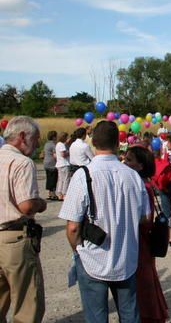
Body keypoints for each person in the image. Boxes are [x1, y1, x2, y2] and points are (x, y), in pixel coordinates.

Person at [59, 120, 150, 322]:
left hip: (92, 256)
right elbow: (145, 218)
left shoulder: (83, 175)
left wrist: (76, 250)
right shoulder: (133, 176)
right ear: (118, 144)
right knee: (130, 315)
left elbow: (73, 226)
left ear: (93, 143)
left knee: (97, 316)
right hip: (126, 256)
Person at [0, 116, 46, 323]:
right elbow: (26, 206)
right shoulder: (23, 163)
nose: (37, 144)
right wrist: (41, 203)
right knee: (28, 303)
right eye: (35, 139)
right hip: (15, 238)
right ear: (21, 137)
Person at [124, 146, 169, 323]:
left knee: (144, 282)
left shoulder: (143, 186)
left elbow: (147, 219)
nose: (125, 163)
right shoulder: (141, 184)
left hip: (141, 241)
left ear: (140, 165)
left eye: (129, 160)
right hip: (141, 240)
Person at [55, 131, 71, 201]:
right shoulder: (61, 145)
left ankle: (59, 193)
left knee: (60, 179)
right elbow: (63, 154)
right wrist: (69, 152)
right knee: (66, 179)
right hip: (64, 164)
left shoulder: (58, 144)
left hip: (59, 164)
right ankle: (65, 193)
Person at [43, 130, 58, 200]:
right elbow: (55, 155)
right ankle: (53, 194)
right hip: (52, 163)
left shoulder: (46, 144)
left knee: (49, 178)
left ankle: (49, 193)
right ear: (54, 137)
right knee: (53, 179)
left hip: (46, 162)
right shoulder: (53, 145)